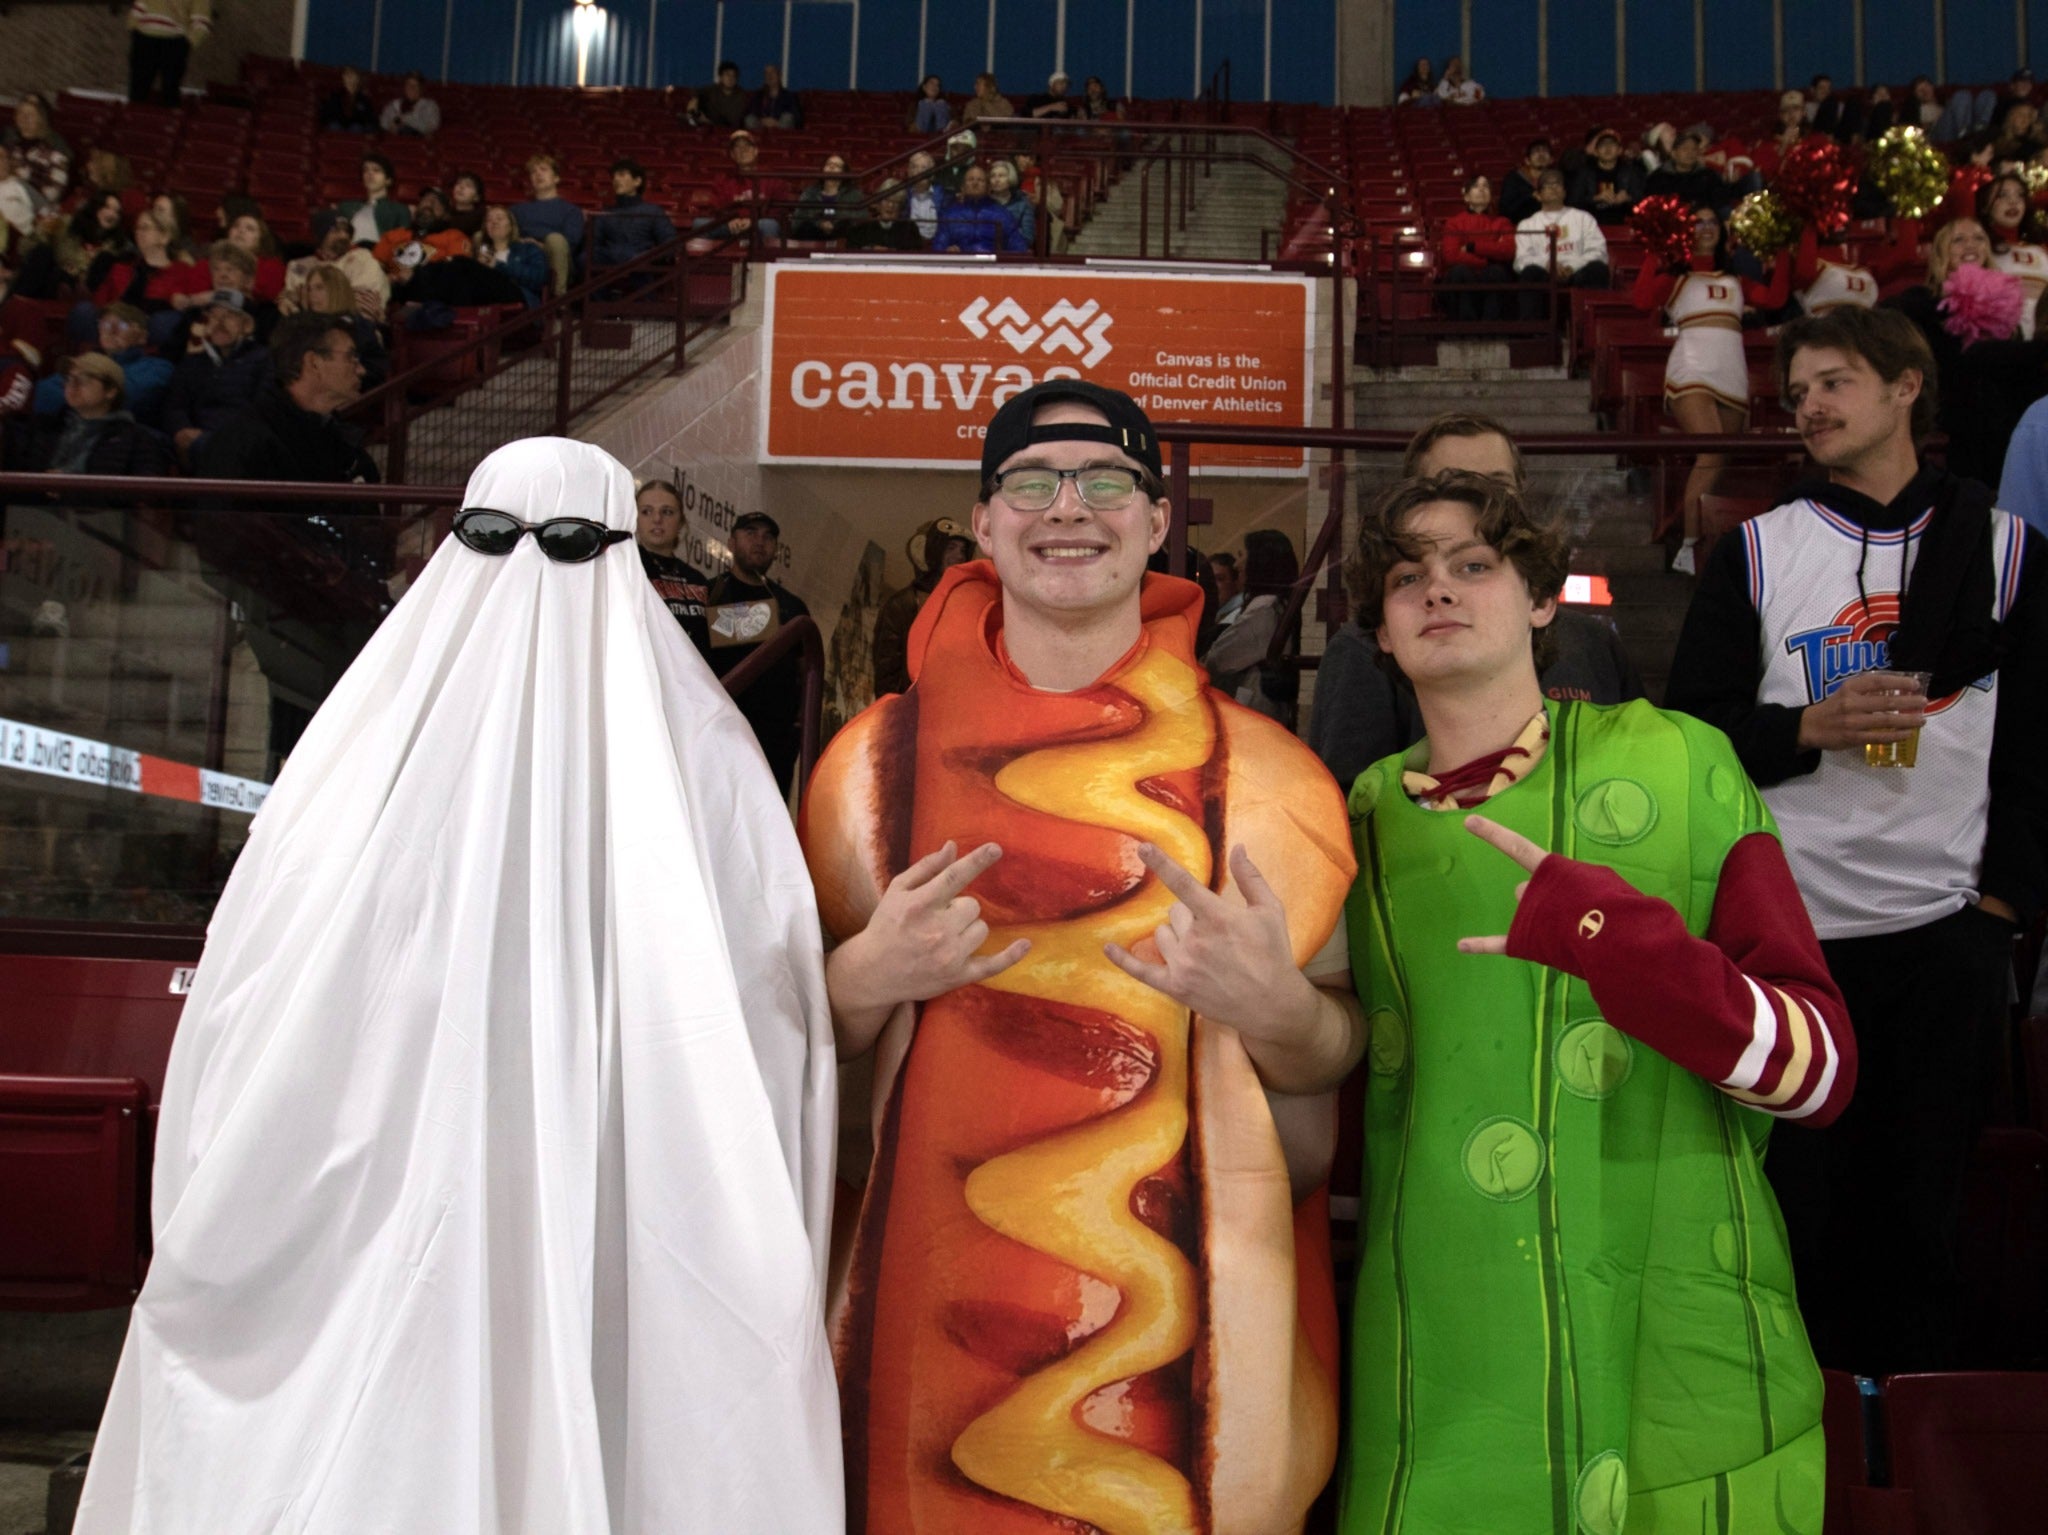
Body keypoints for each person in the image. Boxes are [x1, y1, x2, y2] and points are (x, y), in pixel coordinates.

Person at [72, 436, 843, 1535]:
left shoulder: (365, 742)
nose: (526, 571)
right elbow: (763, 1015)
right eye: (493, 539)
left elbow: (240, 1002)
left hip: (493, 1205)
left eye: (565, 545)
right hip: (452, 1206)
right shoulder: (692, 752)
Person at [802, 379, 1357, 1534]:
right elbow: (775, 1058)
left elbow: (1324, 1074)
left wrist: (1275, 1010)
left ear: (1154, 522)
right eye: (1031, 482)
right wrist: (858, 981)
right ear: (982, 520)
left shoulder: (1267, 774)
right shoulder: (866, 767)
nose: (1068, 507)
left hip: (1175, 1379)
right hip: (912, 1350)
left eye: (1106, 480)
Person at [1337, 465, 1853, 1534]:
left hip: (1676, 1335)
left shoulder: (1678, 758)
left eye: (1473, 564)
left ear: (1540, 600)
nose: (1437, 589)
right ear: (1380, 630)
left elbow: (1818, 1071)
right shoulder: (1360, 819)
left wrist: (1618, 943)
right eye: (1405, 576)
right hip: (1448, 1344)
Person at [1665, 304, 2047, 1376]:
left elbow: (2034, 750)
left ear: (1904, 387)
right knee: (1795, 1220)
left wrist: (1999, 912)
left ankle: (1906, 1432)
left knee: (1923, 1224)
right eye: (1797, 393)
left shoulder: (2009, 550)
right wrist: (1802, 729)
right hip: (1791, 943)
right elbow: (1690, 739)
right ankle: (1811, 1430)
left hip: (1944, 932)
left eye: (1833, 382)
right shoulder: (1753, 550)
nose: (1810, 407)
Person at [1306, 414, 1643, 790]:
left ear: (1539, 601)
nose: (1476, 501)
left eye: (1497, 485)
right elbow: (1344, 802)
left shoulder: (1593, 644)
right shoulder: (1365, 648)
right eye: (1455, 482)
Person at [1632, 204, 1789, 571]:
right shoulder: (1677, 278)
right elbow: (1641, 300)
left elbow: (1776, 298)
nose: (1705, 227)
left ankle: (1685, 527)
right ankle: (1689, 546)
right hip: (1692, 369)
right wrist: (1656, 250)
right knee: (1712, 451)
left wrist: (1783, 248)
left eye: (1711, 221)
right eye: (1697, 222)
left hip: (1732, 373)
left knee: (1720, 459)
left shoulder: (1736, 279)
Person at [193, 312, 376, 483]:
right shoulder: (241, 443)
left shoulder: (338, 441)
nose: (362, 370)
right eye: (351, 357)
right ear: (313, 362)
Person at [704, 510, 809, 794]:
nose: (760, 542)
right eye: (750, 533)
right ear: (731, 542)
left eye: (768, 537)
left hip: (775, 742)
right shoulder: (709, 596)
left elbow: (806, 671)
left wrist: (799, 725)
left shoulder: (791, 606)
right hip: (721, 733)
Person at [1200, 527, 1301, 726]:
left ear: (1259, 562)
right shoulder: (1277, 606)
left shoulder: (1264, 610)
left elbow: (1217, 659)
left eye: (1242, 555)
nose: (1237, 564)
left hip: (1253, 714)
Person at [13, 351, 171, 476]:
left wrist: (73, 490)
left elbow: (143, 495)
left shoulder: (138, 440)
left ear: (110, 391)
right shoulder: (44, 427)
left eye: (83, 379)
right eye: (69, 379)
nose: (72, 385)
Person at [869, 516, 973, 695]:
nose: (959, 556)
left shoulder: (965, 607)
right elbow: (887, 671)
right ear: (934, 552)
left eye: (963, 550)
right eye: (951, 548)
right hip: (911, 704)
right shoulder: (903, 604)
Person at [161, 289, 268, 458]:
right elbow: (174, 405)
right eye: (214, 316)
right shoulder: (193, 362)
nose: (219, 323)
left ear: (247, 325)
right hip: (196, 442)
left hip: (240, 444)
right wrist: (181, 430)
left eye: (229, 316)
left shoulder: (263, 360)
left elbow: (263, 410)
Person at [31, 304, 171, 425]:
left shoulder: (158, 367)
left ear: (142, 337)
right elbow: (45, 390)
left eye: (122, 325)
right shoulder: (86, 359)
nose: (111, 331)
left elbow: (118, 397)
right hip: (71, 429)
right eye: (106, 324)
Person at [1514, 168, 1609, 319]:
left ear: (1565, 192)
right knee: (1529, 273)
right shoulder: (1527, 224)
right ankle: (1532, 329)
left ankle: (1592, 326)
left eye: (1557, 184)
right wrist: (1548, 264)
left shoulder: (1583, 218)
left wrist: (1572, 266)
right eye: (1547, 185)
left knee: (1598, 269)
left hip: (1577, 272)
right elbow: (1521, 260)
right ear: (1538, 195)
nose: (1553, 187)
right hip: (1544, 273)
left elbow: (1598, 251)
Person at [634, 476, 710, 652]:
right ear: (634, 519)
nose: (657, 519)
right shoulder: (625, 568)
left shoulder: (697, 579)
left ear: (681, 521)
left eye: (667, 512)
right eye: (646, 511)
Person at [281, 207, 390, 322]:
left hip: (353, 324)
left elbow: (365, 303)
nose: (344, 236)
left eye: (347, 231)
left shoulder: (363, 259)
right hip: (307, 325)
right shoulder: (298, 265)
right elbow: (288, 300)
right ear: (321, 235)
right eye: (335, 231)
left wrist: (308, 299)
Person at [1436, 174, 1515, 321]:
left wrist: (1472, 247)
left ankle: (1490, 327)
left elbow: (1508, 251)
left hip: (1491, 276)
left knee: (1496, 272)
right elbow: (1451, 256)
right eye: (1476, 186)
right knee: (1460, 271)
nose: (1482, 189)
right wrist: (1488, 259)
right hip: (1465, 276)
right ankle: (1465, 325)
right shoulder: (1454, 223)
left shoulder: (1503, 222)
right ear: (1466, 197)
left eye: (1486, 186)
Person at [1982, 172, 2048, 338]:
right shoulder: (1980, 251)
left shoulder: (2041, 251)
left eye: (2020, 195)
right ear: (1985, 206)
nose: (2013, 201)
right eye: (2002, 195)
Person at [511, 154, 585, 296]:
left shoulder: (571, 211)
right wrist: (524, 243)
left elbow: (571, 244)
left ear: (556, 178)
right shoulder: (517, 210)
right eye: (533, 172)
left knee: (555, 239)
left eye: (543, 169)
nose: (538, 174)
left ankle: (558, 299)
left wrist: (540, 246)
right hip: (523, 255)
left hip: (555, 258)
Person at [698, 130, 786, 245]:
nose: (742, 150)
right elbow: (716, 207)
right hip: (731, 225)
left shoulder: (772, 178)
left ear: (755, 151)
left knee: (769, 225)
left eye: (747, 146)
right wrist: (729, 220)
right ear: (732, 154)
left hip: (759, 223)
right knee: (699, 224)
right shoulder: (723, 179)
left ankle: (768, 256)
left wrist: (753, 220)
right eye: (737, 147)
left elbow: (778, 210)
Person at [588, 157, 677, 271]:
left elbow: (669, 242)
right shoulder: (605, 214)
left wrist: (645, 257)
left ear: (637, 181)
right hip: (610, 269)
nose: (616, 179)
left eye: (622, 175)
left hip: (644, 268)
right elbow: (593, 246)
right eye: (614, 176)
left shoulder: (653, 212)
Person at [127, 0, 210, 107]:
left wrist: (187, 43)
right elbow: (139, 6)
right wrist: (133, 27)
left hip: (174, 42)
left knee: (170, 91)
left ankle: (167, 116)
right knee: (138, 90)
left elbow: (201, 21)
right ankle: (135, 115)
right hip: (144, 37)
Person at [933, 164, 1026, 254]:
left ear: (988, 188)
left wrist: (1001, 256)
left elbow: (1019, 250)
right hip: (960, 263)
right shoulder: (950, 215)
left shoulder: (1002, 215)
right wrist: (947, 251)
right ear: (962, 188)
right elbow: (937, 247)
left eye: (980, 180)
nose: (975, 183)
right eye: (970, 179)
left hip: (992, 263)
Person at [472, 205, 550, 307]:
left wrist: (499, 265)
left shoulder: (528, 249)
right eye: (489, 220)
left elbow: (539, 278)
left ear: (511, 226)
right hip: (486, 301)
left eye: (499, 218)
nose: (494, 222)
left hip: (519, 300)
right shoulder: (482, 254)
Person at [6, 94, 71, 208]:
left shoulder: (55, 156)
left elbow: (52, 194)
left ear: (41, 119)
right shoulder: (9, 149)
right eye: (21, 113)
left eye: (30, 115)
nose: (24, 118)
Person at [1568, 127, 1642, 225]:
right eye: (1603, 145)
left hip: (1623, 222)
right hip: (1591, 223)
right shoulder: (1584, 173)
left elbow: (1642, 200)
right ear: (1596, 152)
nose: (1608, 148)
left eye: (1612, 144)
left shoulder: (1631, 172)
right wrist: (1595, 198)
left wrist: (1627, 198)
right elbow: (1573, 202)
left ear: (1620, 150)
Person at [339, 152, 409, 248]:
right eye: (365, 170)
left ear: (388, 180)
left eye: (376, 170)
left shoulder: (399, 210)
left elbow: (402, 244)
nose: (370, 173)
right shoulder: (347, 207)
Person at [1644, 127, 1725, 210]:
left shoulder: (1708, 176)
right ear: (1673, 153)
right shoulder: (1658, 179)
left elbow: (1720, 201)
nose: (1690, 153)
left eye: (1694, 149)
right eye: (1685, 149)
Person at [790, 152, 862, 241]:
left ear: (844, 172)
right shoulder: (810, 192)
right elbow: (797, 221)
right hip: (813, 234)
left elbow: (860, 220)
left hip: (841, 234)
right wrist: (819, 223)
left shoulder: (853, 194)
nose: (831, 167)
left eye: (837, 166)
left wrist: (834, 225)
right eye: (828, 164)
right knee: (806, 227)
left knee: (846, 226)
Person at [843, 186, 924, 252]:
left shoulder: (909, 228)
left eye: (896, 202)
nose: (890, 205)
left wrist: (893, 252)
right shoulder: (863, 228)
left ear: (901, 207)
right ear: (878, 204)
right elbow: (851, 249)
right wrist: (870, 249)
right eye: (886, 200)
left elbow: (916, 251)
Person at [1498, 138, 1552, 224]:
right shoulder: (1514, 178)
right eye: (1536, 151)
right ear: (1527, 160)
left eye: (1545, 151)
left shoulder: (1557, 179)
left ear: (1551, 160)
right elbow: (1505, 210)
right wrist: (1531, 196)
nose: (1541, 154)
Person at [984, 157, 1034, 249]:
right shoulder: (984, 203)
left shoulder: (1023, 204)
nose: (996, 180)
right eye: (993, 176)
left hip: (1013, 253)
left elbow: (1028, 238)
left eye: (1001, 176)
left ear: (1010, 178)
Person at [688, 60, 749, 130]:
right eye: (727, 75)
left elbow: (732, 121)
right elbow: (695, 93)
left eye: (734, 76)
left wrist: (708, 121)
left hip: (728, 129)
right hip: (707, 127)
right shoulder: (712, 90)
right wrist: (695, 101)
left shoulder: (741, 95)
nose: (730, 78)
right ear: (720, 77)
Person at [379, 71, 441, 137]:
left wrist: (404, 119)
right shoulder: (393, 105)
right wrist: (392, 126)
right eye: (408, 85)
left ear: (421, 89)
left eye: (415, 86)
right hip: (395, 140)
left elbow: (430, 127)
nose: (411, 88)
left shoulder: (430, 106)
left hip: (417, 140)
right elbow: (383, 123)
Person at [318, 64, 377, 132]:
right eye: (346, 75)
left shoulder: (364, 100)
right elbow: (327, 114)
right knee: (334, 126)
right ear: (343, 78)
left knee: (356, 128)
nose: (349, 78)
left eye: (352, 75)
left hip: (355, 127)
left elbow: (369, 119)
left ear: (358, 79)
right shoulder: (335, 95)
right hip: (338, 125)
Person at [746, 64, 803, 132]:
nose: (769, 76)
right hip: (761, 125)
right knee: (749, 119)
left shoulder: (789, 96)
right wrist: (762, 121)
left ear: (779, 75)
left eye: (772, 72)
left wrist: (775, 123)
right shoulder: (758, 95)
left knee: (787, 117)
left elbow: (797, 117)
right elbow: (750, 112)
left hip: (781, 125)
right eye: (766, 74)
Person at [901, 149, 943, 241]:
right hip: (909, 245)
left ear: (932, 173)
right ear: (909, 172)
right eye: (915, 167)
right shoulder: (903, 195)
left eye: (924, 167)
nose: (919, 171)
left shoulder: (944, 196)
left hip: (936, 244)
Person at [445, 171, 487, 238]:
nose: (461, 187)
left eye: (468, 185)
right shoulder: (444, 213)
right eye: (458, 183)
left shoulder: (482, 217)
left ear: (477, 197)